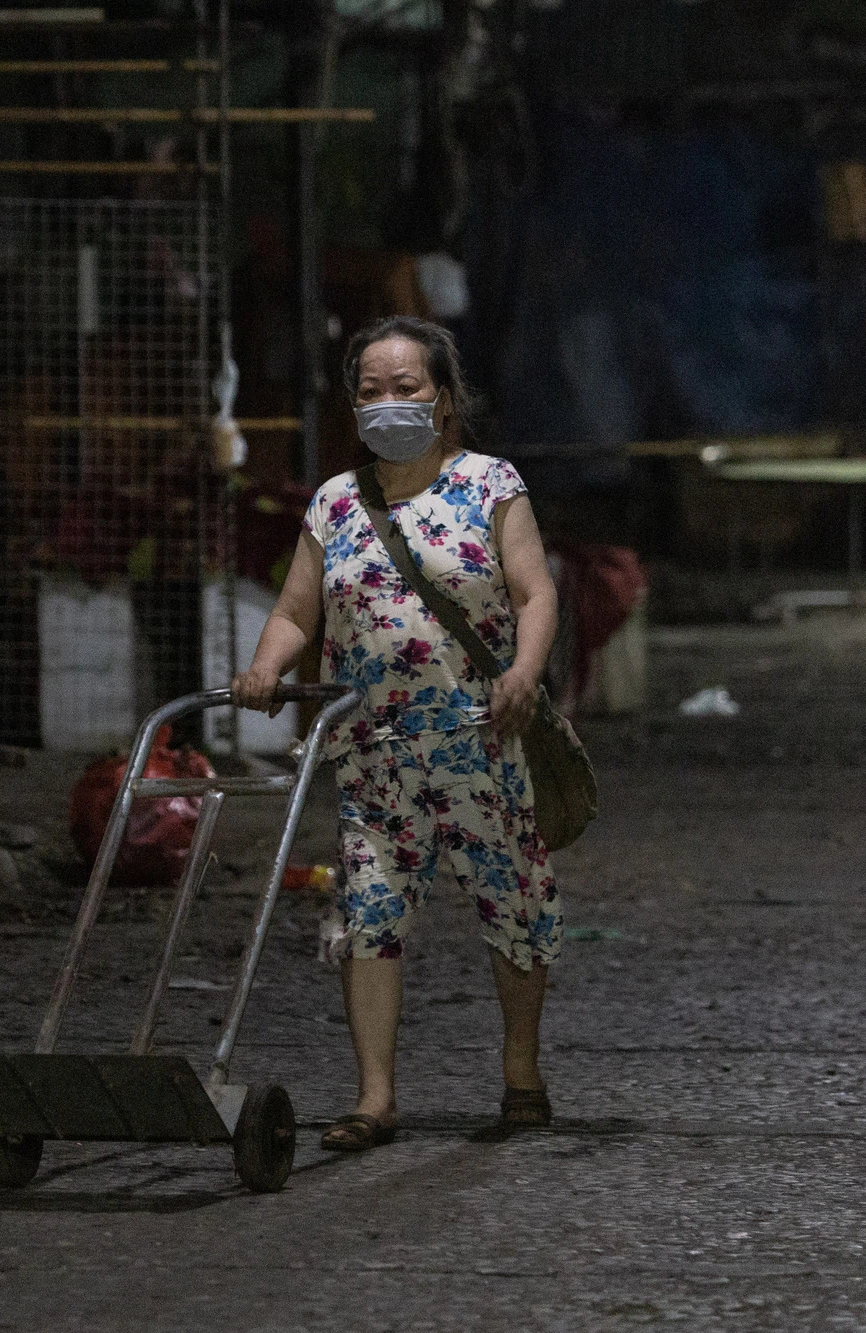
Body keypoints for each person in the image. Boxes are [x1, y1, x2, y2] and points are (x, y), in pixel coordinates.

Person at [230, 316, 565, 1150]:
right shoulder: (335, 503)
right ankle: (374, 1097)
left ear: (444, 401)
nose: (389, 404)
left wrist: (523, 672)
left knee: (512, 904)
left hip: (478, 736)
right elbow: (296, 609)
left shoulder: (491, 484)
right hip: (372, 751)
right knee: (370, 917)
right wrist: (265, 668)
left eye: (406, 388)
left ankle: (520, 1067)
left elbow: (535, 592)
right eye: (371, 391)